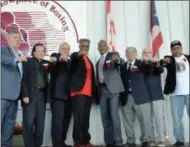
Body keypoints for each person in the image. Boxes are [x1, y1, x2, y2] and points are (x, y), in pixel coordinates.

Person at [120, 47, 151, 147]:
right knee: (127, 120)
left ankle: (145, 140)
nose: (130, 54)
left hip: (141, 96)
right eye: (128, 52)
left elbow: (147, 70)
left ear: (136, 53)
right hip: (127, 97)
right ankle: (130, 141)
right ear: (125, 54)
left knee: (144, 119)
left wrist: (147, 62)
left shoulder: (141, 64)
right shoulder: (123, 66)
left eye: (132, 52)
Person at [160, 40, 189, 146]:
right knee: (177, 119)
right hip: (176, 94)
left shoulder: (188, 58)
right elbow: (161, 62)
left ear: (181, 48)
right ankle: (180, 140)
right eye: (173, 48)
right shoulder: (169, 59)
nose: (176, 50)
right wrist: (164, 61)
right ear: (171, 50)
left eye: (178, 47)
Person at [96, 40, 124, 147]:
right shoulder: (98, 62)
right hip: (102, 90)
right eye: (100, 45)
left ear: (107, 47)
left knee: (114, 115)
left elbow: (120, 62)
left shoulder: (113, 55)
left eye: (104, 45)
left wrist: (118, 59)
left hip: (113, 90)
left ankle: (118, 141)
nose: (102, 47)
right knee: (104, 117)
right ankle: (109, 142)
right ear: (98, 48)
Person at [1, 30, 27, 147]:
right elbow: (3, 60)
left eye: (19, 38)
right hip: (2, 95)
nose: (18, 40)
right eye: (15, 37)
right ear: (8, 39)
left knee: (9, 126)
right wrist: (16, 60)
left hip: (15, 97)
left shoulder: (21, 55)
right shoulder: (3, 50)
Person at [68, 39, 97, 147]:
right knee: (79, 117)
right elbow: (74, 58)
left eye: (87, 46)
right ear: (79, 46)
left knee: (85, 118)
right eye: (83, 46)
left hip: (88, 93)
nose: (85, 48)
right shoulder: (76, 56)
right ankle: (77, 142)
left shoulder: (88, 59)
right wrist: (79, 54)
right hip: (78, 92)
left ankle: (85, 140)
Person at [22, 43, 49, 147]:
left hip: (42, 96)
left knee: (40, 124)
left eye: (43, 51)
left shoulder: (45, 63)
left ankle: (38, 145)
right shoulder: (27, 62)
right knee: (28, 123)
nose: (41, 53)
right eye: (38, 51)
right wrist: (25, 95)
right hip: (30, 96)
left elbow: (56, 62)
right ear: (33, 52)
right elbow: (23, 80)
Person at [48, 42, 72, 147]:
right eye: (63, 48)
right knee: (57, 121)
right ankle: (56, 144)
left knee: (66, 121)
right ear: (59, 49)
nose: (66, 50)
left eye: (67, 49)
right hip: (58, 95)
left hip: (70, 96)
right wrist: (59, 60)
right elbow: (50, 69)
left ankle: (61, 142)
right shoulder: (55, 57)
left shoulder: (71, 60)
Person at [142, 48, 166, 147]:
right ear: (143, 54)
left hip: (156, 94)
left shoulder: (157, 64)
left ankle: (162, 139)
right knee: (147, 119)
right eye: (145, 53)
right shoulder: (140, 64)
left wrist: (155, 63)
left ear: (153, 54)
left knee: (159, 118)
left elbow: (160, 70)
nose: (147, 54)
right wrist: (147, 63)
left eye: (149, 53)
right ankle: (151, 139)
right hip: (144, 95)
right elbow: (144, 71)